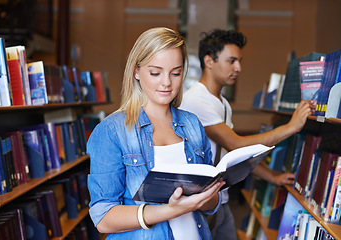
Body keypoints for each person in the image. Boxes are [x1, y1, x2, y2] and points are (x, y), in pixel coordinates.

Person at [87, 27, 225, 240]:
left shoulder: (192, 124)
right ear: (136, 71)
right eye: (155, 72)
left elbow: (211, 204)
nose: (167, 82)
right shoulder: (112, 131)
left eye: (176, 73)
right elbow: (103, 218)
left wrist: (207, 196)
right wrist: (170, 210)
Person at [179, 29, 314, 240]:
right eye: (231, 61)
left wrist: (273, 177)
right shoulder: (197, 100)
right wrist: (291, 127)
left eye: (239, 61)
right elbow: (237, 144)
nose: (238, 68)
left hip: (219, 200)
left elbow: (233, 157)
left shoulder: (222, 103)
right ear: (209, 61)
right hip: (200, 203)